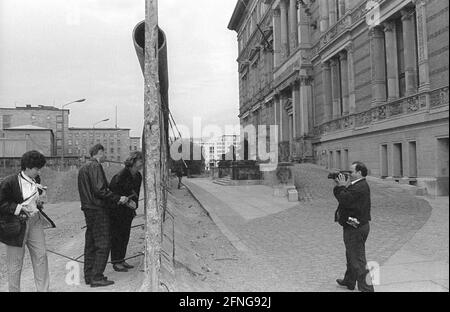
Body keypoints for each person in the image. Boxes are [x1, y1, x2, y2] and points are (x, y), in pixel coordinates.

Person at [0, 150, 54, 292]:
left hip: (35, 221)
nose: (39, 172)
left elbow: (34, 202)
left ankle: (43, 290)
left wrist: (40, 201)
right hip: (15, 225)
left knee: (41, 256)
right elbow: (2, 203)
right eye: (37, 169)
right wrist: (19, 208)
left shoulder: (37, 180)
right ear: (28, 168)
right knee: (15, 263)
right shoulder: (9, 182)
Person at [77, 144, 128, 288]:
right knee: (103, 243)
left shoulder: (83, 168)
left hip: (88, 209)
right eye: (104, 153)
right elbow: (100, 190)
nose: (105, 156)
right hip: (98, 209)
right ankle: (97, 277)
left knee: (91, 244)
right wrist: (118, 198)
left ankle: (89, 275)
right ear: (99, 152)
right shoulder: (95, 166)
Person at [333, 161, 375, 292]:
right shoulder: (357, 185)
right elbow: (344, 197)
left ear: (359, 173)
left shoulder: (359, 187)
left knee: (358, 259)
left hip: (356, 228)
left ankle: (367, 289)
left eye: (351, 172)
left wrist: (340, 187)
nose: (348, 174)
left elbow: (344, 200)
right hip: (354, 226)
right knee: (351, 254)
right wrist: (341, 187)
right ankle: (349, 281)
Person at [109, 151, 143, 272]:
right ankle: (116, 261)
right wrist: (127, 203)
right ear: (133, 161)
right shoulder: (120, 176)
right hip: (117, 211)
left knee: (125, 235)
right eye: (140, 161)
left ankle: (121, 259)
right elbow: (113, 195)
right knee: (117, 236)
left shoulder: (138, 176)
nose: (142, 164)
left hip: (128, 212)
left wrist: (135, 205)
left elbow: (136, 194)